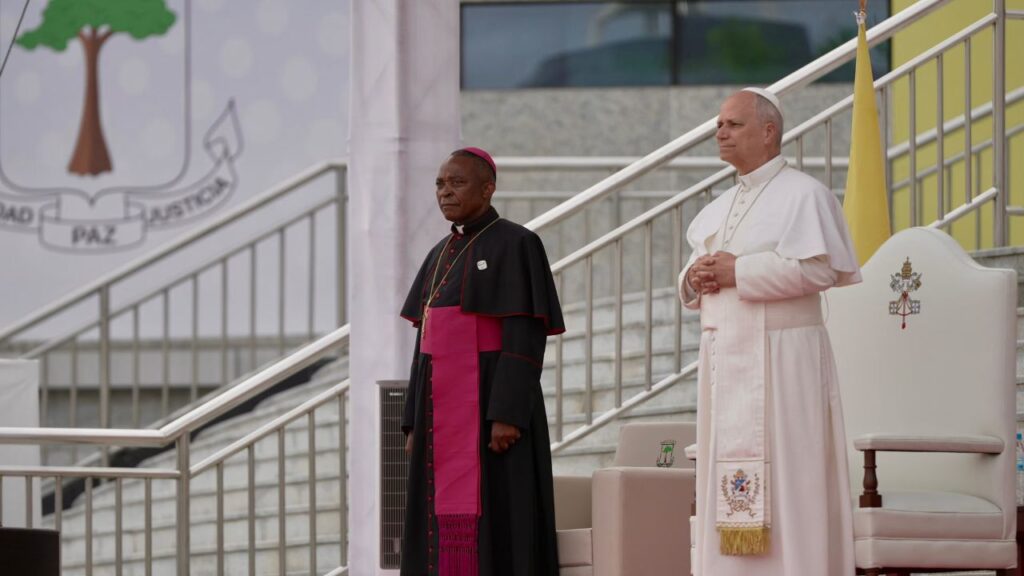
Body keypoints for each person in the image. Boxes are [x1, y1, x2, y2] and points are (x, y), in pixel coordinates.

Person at [679, 88, 861, 575]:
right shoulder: (716, 208)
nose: (720, 132)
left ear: (768, 131)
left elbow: (822, 270)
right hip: (725, 357)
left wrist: (742, 272)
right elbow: (695, 274)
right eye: (718, 124)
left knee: (793, 475)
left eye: (733, 124)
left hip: (786, 359)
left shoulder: (805, 194)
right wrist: (693, 278)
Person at [400, 147, 564, 576]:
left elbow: (523, 334)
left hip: (492, 403)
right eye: (440, 183)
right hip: (440, 410)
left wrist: (507, 413)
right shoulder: (438, 254)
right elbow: (424, 342)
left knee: (500, 515)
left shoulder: (518, 243)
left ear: (488, 189)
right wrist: (412, 421)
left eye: (457, 183)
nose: (445, 192)